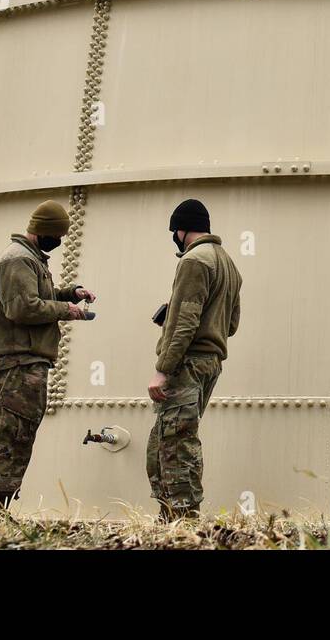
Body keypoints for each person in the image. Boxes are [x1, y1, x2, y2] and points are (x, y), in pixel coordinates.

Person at [0, 200, 95, 513]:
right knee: (14, 436)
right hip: (18, 362)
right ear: (46, 231)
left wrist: (69, 293)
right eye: (59, 235)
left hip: (20, 360)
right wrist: (66, 311)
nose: (61, 241)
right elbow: (22, 307)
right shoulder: (19, 261)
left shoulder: (30, 260)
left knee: (5, 434)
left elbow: (33, 296)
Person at [147, 199, 242, 520]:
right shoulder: (228, 264)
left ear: (182, 229)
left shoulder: (194, 261)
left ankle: (183, 521)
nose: (174, 236)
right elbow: (231, 323)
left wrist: (163, 369)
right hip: (210, 362)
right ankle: (170, 516)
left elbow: (185, 321)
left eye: (175, 230)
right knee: (165, 438)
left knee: (177, 443)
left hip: (186, 363)